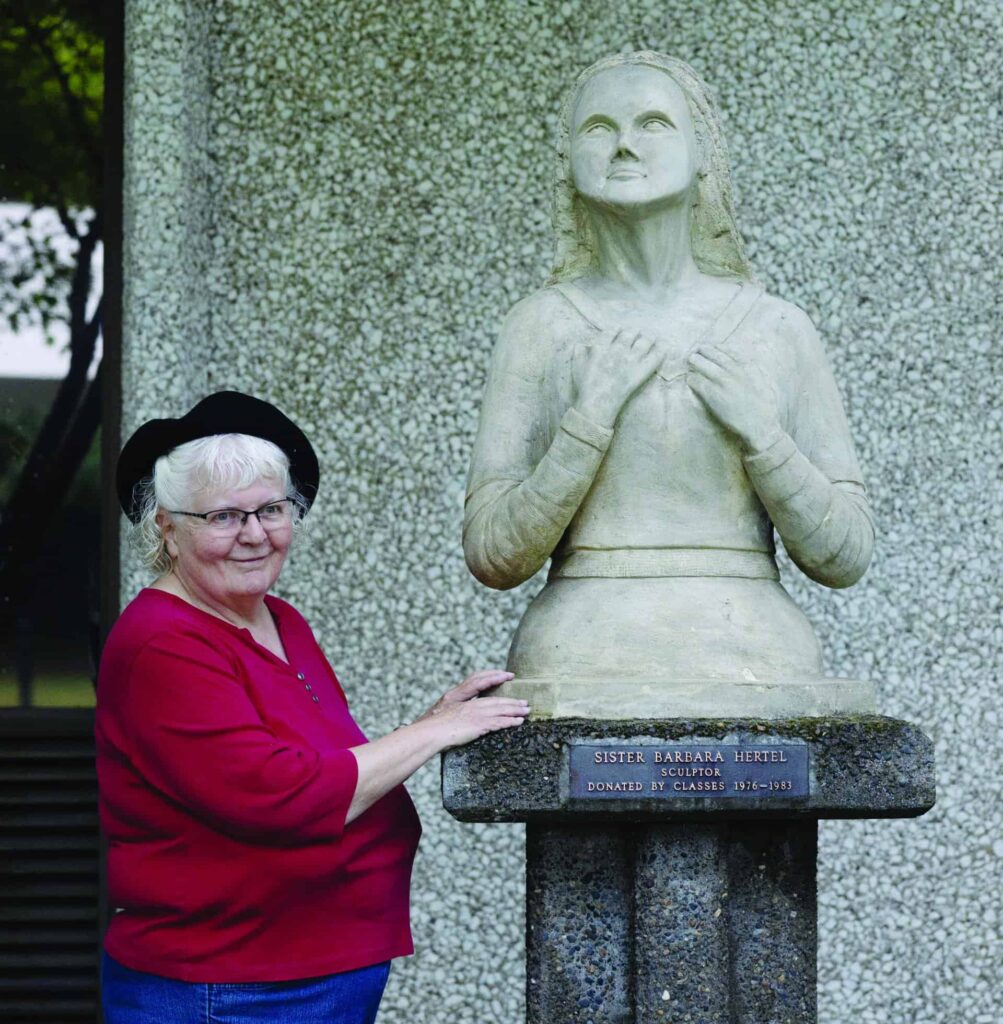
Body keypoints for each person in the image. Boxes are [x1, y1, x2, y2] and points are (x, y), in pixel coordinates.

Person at [97, 390, 529, 1023]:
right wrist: (434, 733)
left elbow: (320, 760)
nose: (254, 535)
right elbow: (279, 797)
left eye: (271, 510)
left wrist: (429, 723)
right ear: (167, 526)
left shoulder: (280, 620)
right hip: (231, 987)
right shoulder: (162, 643)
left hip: (308, 970)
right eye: (224, 517)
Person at [463, 52, 875, 712]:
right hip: (580, 644)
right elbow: (493, 554)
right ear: (567, 161)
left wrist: (764, 438)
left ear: (702, 151)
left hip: (753, 645)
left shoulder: (775, 328)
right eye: (598, 128)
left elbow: (845, 553)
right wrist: (587, 421)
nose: (625, 144)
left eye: (652, 123)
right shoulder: (541, 326)